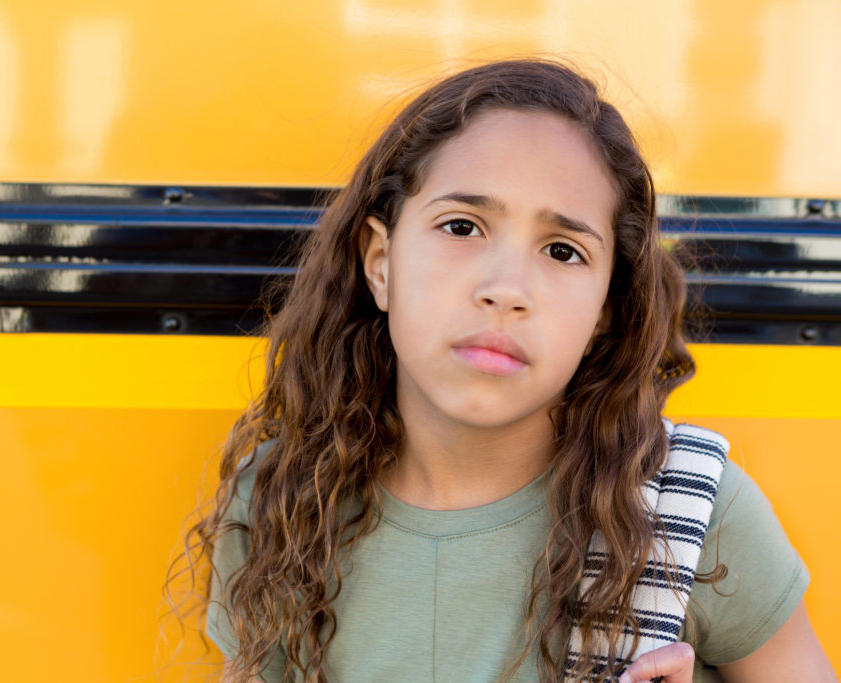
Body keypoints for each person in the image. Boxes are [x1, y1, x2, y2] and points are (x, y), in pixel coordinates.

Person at [176, 60, 835, 682]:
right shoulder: (282, 503)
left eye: (562, 249)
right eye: (462, 226)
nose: (506, 287)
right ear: (380, 262)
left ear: (607, 307)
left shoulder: (684, 513)